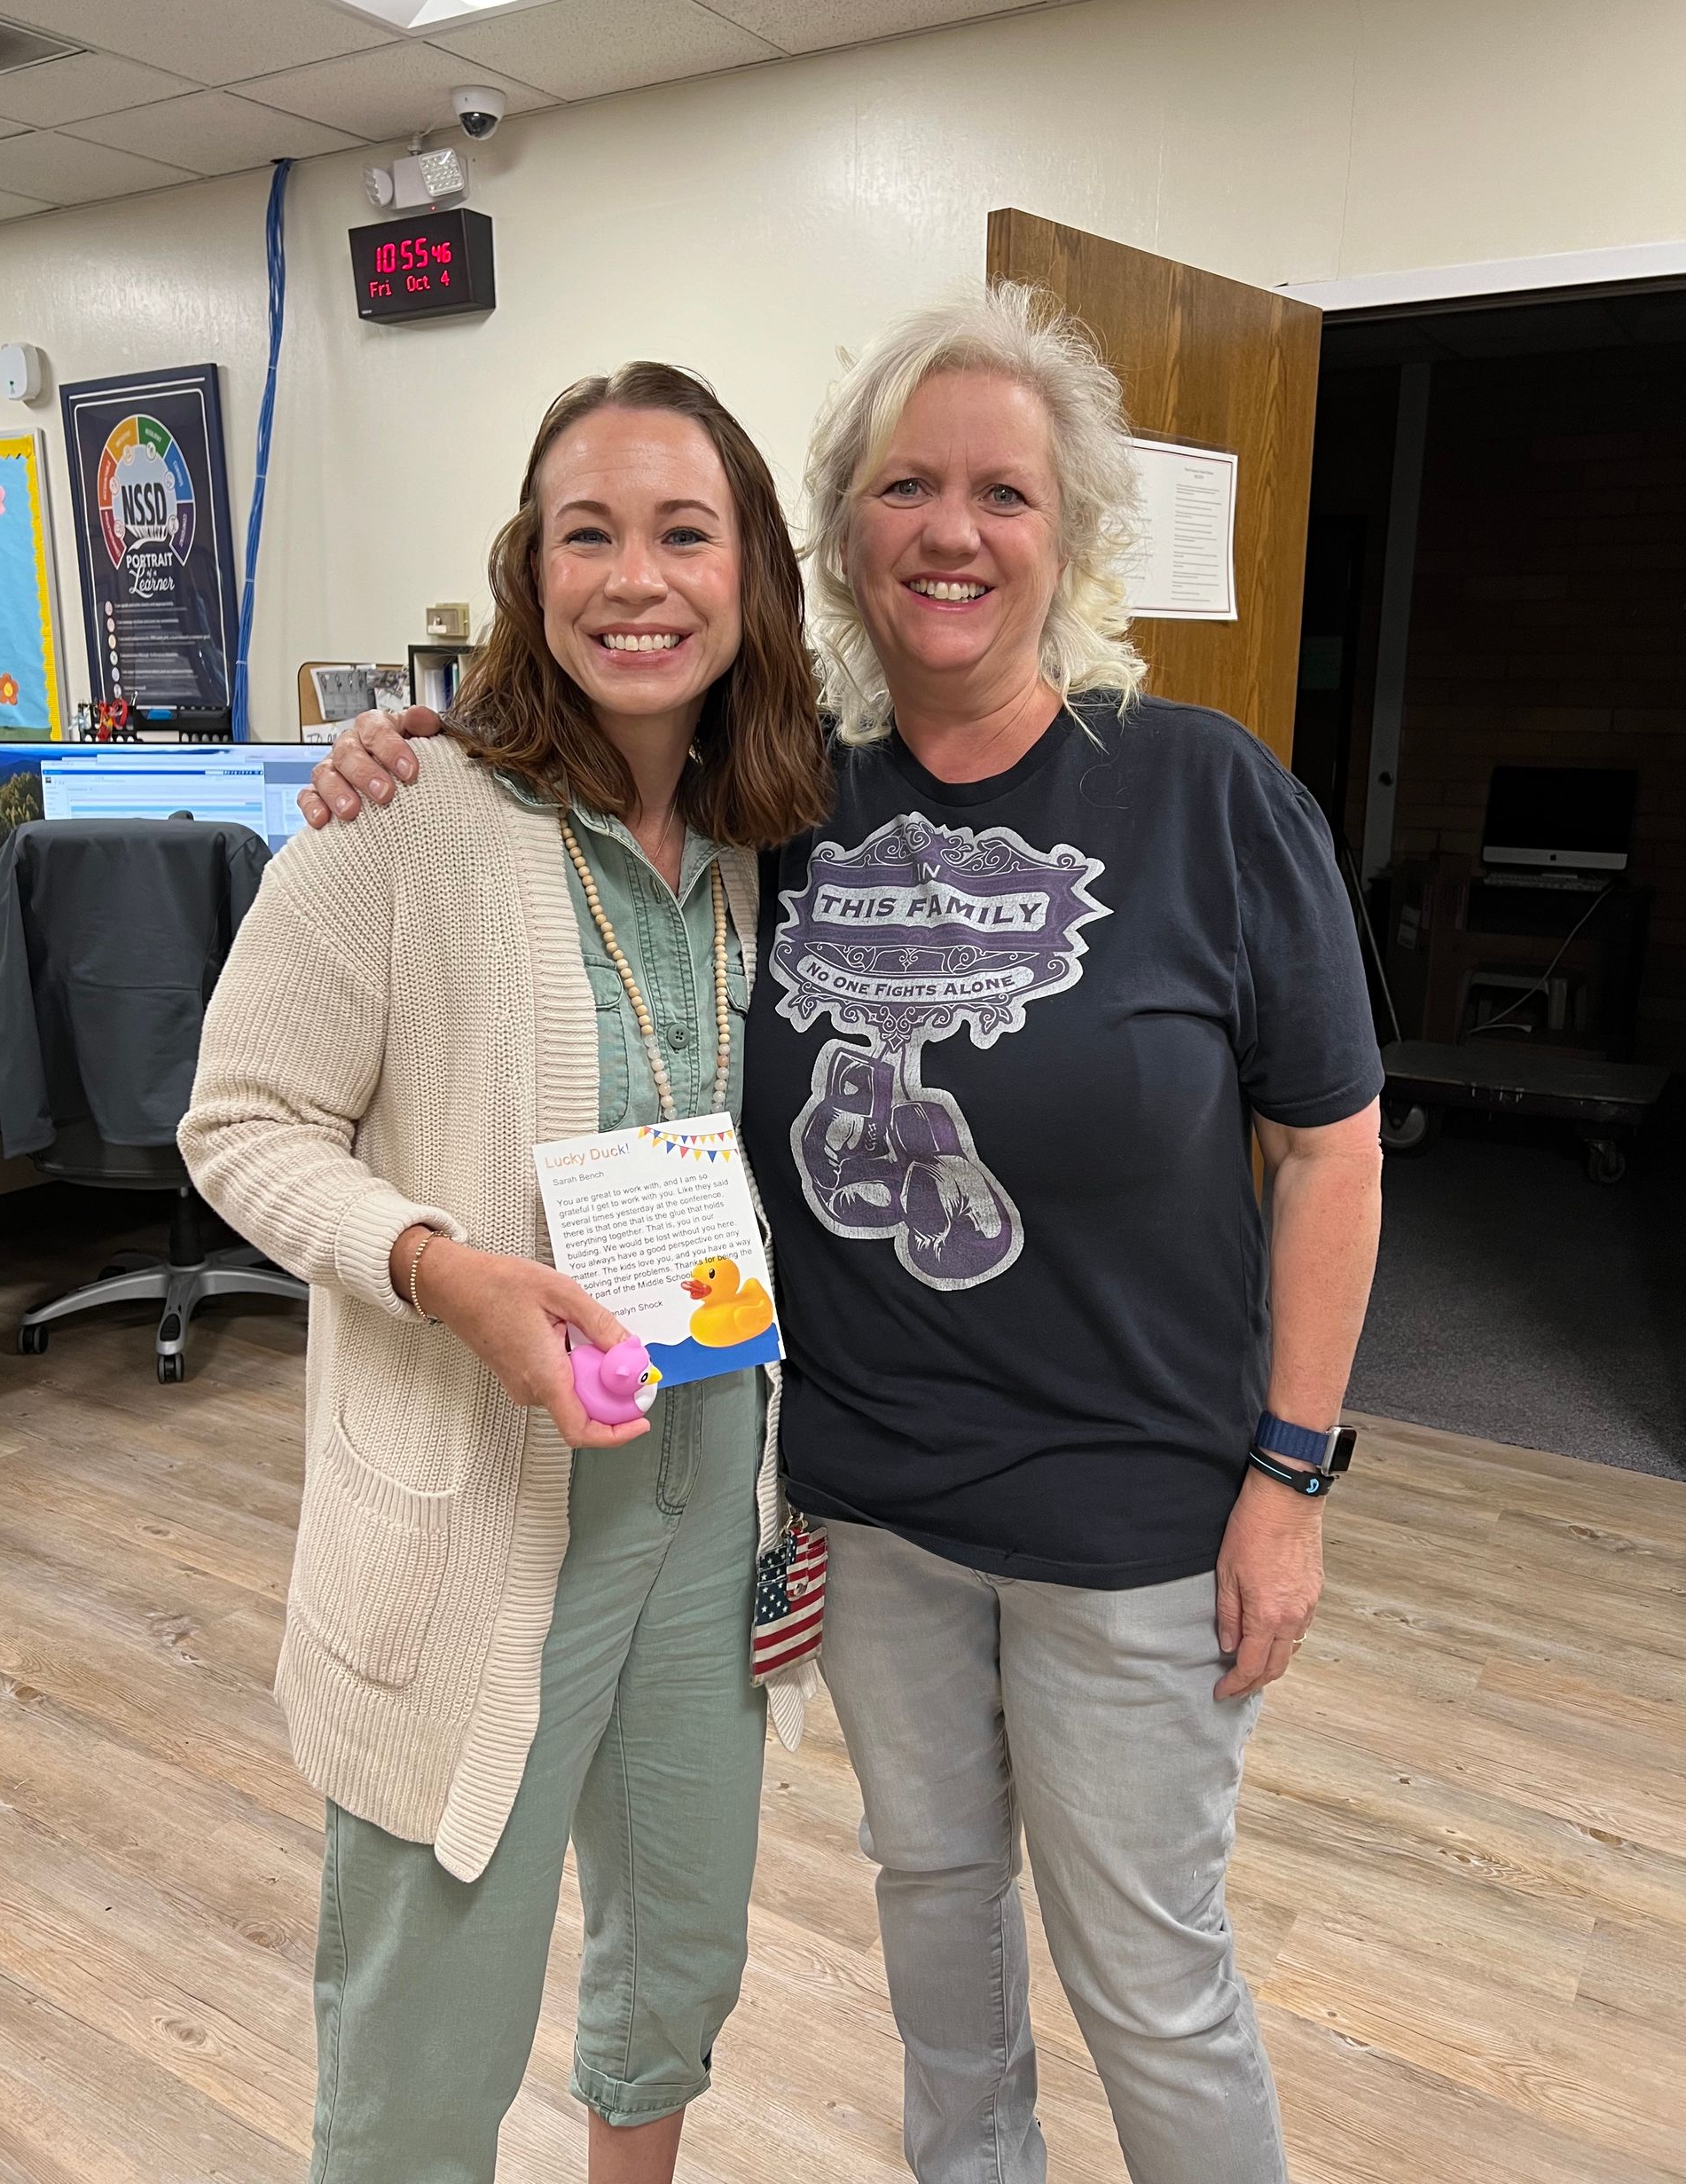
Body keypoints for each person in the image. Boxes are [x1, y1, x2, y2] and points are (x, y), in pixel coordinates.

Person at [307, 282, 1384, 2184]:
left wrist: (1291, 1472)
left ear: (1070, 538)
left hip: (1137, 1524)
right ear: (848, 532)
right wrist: (404, 745)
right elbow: (586, 781)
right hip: (870, 1510)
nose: (952, 530)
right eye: (907, 486)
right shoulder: (784, 805)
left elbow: (1330, 1149)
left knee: (1150, 1975)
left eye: (1004, 493)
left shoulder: (1208, 796)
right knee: (939, 1938)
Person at [180, 362, 828, 2184]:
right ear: (529, 572)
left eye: (684, 531)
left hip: (710, 1506)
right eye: (588, 533)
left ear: (752, 571)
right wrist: (435, 1263)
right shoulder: (405, 821)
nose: (637, 576)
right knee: (425, 2027)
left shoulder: (769, 843)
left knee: (680, 1947)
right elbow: (238, 1120)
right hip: (482, 1510)